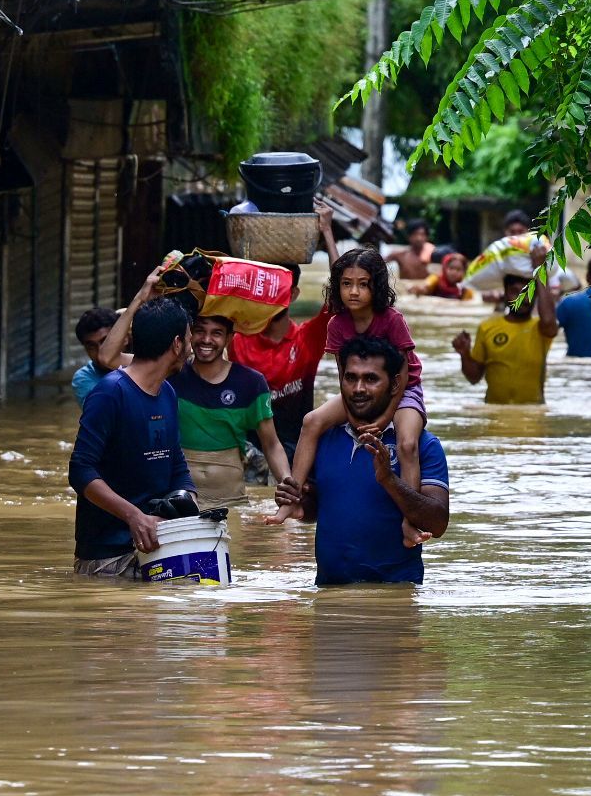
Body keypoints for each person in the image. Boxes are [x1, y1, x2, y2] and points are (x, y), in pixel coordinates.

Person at [276, 333, 449, 585]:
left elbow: (438, 522)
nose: (358, 389)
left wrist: (389, 480)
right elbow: (316, 506)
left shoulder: (422, 445)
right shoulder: (322, 439)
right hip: (329, 598)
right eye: (351, 378)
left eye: (370, 379)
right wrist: (299, 504)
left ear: (394, 385)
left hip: (394, 601)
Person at [69, 297, 194, 576]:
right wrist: (133, 516)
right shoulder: (110, 392)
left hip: (159, 548)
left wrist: (190, 502)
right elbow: (80, 470)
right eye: (188, 340)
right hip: (108, 559)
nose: (191, 349)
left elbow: (176, 464)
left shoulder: (167, 392)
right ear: (176, 344)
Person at [288, 245, 427, 491]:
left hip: (403, 390)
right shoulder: (337, 324)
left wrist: (384, 419)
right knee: (311, 421)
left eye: (363, 284)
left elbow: (403, 374)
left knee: (407, 444)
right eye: (346, 284)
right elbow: (344, 377)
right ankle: (292, 498)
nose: (354, 292)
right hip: (361, 390)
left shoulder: (392, 319)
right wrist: (354, 418)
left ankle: (411, 519)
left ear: (377, 287)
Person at [171, 309, 291, 502]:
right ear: (189, 334)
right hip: (179, 502)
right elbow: (110, 357)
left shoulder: (251, 383)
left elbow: (271, 445)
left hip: (231, 503)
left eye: (216, 333)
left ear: (229, 338)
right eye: (200, 331)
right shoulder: (171, 374)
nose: (207, 340)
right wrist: (141, 298)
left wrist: (287, 484)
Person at [453, 260, 557, 403]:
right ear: (505, 293)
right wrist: (464, 354)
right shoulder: (487, 327)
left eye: (529, 292)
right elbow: (474, 378)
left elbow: (549, 321)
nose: (523, 298)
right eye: (515, 292)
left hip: (533, 412)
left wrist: (540, 270)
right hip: (494, 413)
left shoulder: (541, 328)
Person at [69, 307, 123, 406]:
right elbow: (105, 414)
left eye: (106, 342)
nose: (100, 352)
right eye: (91, 346)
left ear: (124, 338)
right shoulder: (84, 379)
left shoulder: (143, 361)